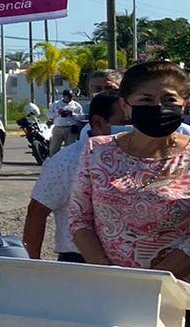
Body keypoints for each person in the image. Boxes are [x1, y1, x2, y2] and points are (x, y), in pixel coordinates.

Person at [70, 60, 190, 280]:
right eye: (146, 99)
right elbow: (79, 218)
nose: (158, 107)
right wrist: (106, 271)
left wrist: (151, 280)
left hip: (179, 291)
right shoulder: (97, 150)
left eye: (169, 99)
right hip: (112, 289)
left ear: (184, 105)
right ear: (125, 106)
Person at [24, 91, 124, 263]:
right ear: (98, 123)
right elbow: (36, 213)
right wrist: (33, 269)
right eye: (126, 123)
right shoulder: (68, 162)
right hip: (81, 264)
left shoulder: (152, 161)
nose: (135, 130)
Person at [48, 88, 84, 155]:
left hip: (70, 129)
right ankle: (53, 162)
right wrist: (58, 112)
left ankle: (69, 162)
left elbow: (82, 116)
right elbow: (49, 115)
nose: (70, 98)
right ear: (64, 96)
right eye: (68, 96)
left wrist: (72, 114)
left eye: (71, 96)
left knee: (70, 148)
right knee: (54, 148)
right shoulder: (56, 104)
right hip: (58, 128)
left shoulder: (76, 105)